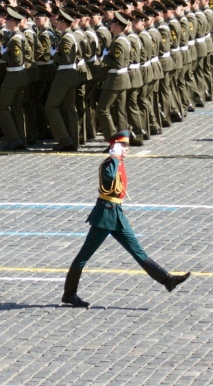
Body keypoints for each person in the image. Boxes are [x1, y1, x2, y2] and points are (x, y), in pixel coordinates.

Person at [61, 131, 191, 307]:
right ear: (114, 146)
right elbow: (109, 177)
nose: (126, 149)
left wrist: (117, 157)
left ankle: (167, 280)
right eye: (123, 145)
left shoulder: (118, 162)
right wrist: (114, 156)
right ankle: (69, 294)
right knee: (83, 256)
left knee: (138, 252)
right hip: (105, 217)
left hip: (117, 214)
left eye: (126, 145)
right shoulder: (109, 163)